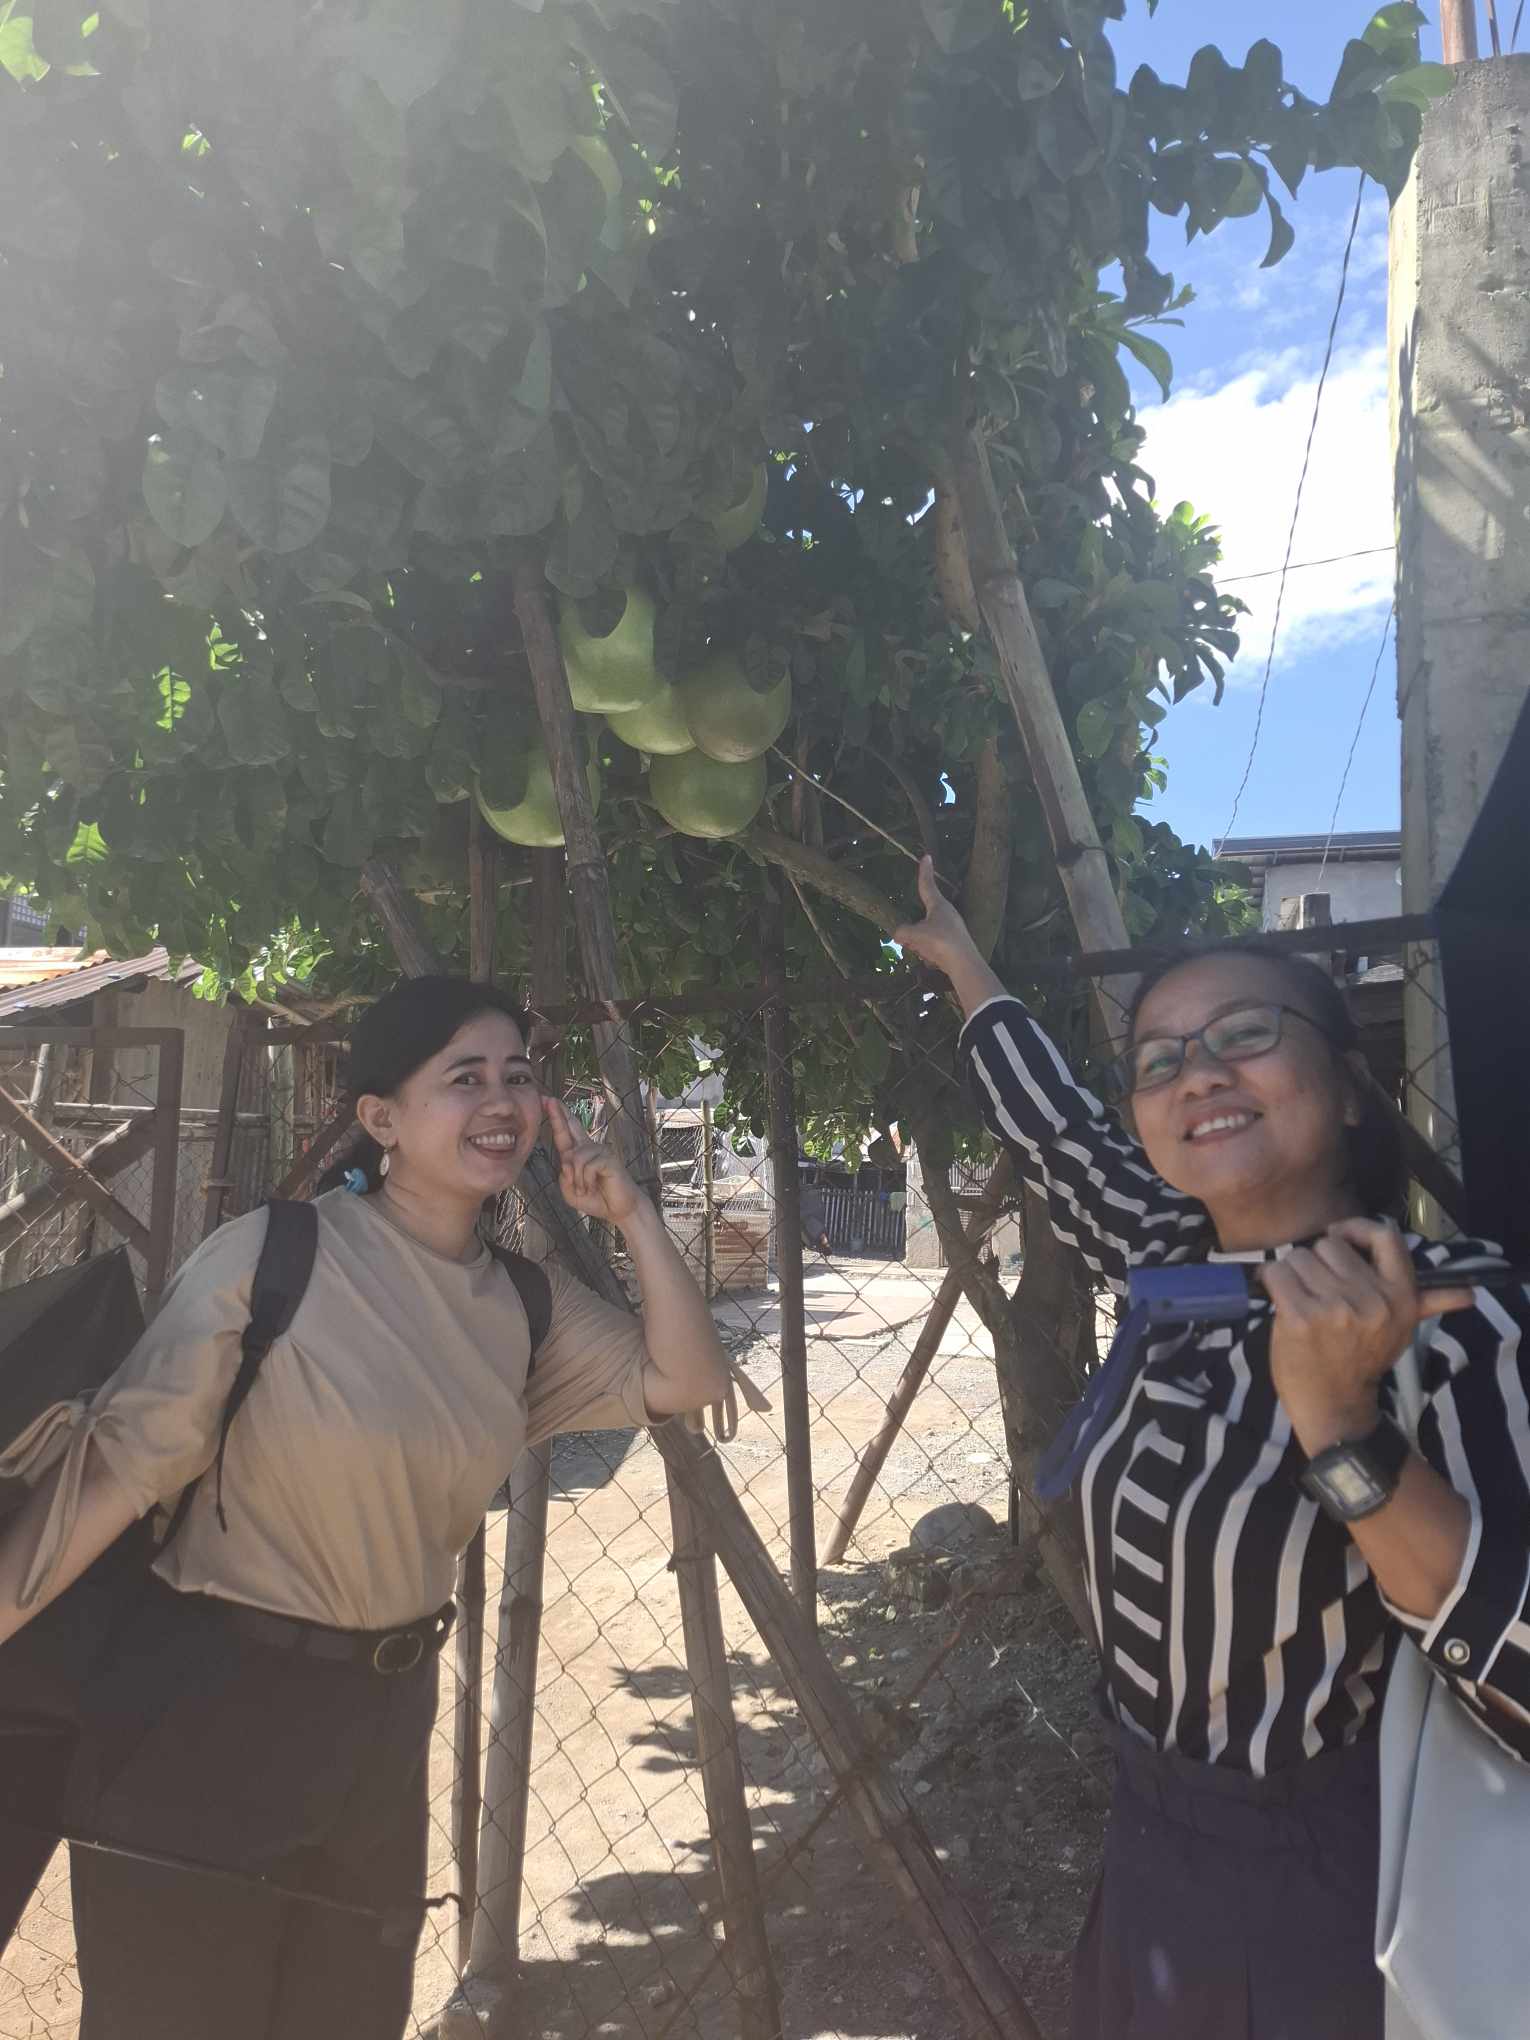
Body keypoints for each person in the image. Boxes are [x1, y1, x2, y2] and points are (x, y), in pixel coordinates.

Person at [0, 976, 729, 2040]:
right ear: (381, 1118)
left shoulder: (524, 1304)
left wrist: (633, 1216)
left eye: (517, 1076)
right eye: (464, 1078)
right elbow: (119, 1473)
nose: (502, 1101)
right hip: (204, 1710)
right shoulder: (274, 1255)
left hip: (382, 1723)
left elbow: (688, 1376)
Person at [895, 857, 1530, 2040]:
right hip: (1148, 1844)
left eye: (1245, 1034)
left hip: (1325, 1885)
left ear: (1350, 1087)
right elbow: (1058, 1136)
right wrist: (964, 966)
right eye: (1159, 1060)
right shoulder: (1172, 1263)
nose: (1197, 1072)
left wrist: (1342, 1430)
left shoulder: (1447, 1318)